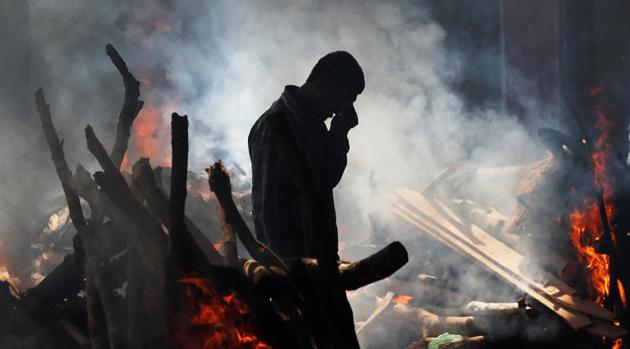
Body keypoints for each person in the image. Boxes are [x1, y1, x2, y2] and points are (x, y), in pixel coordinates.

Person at [248, 51, 364, 348]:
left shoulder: (311, 124)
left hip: (315, 266)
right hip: (294, 270)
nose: (344, 108)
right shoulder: (277, 126)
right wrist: (288, 275)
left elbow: (327, 178)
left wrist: (339, 134)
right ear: (326, 83)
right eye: (345, 98)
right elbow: (271, 213)